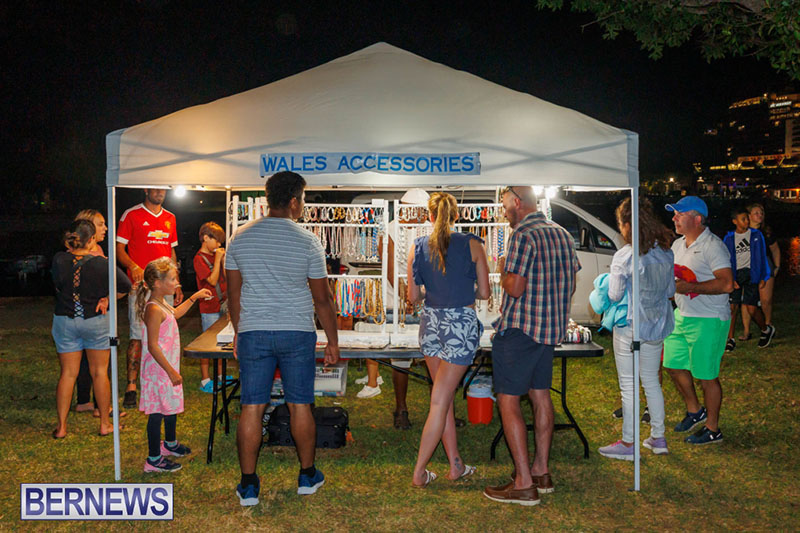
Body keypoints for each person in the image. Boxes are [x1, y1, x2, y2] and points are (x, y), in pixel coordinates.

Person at [226, 171, 339, 506]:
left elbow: (233, 294)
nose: (302, 205)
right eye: (302, 199)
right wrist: (333, 341)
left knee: (252, 406)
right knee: (300, 403)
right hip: (296, 331)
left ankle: (249, 485)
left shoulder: (240, 237)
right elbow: (322, 299)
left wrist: (239, 331)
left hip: (254, 331)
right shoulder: (308, 241)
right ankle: (307, 475)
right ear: (293, 201)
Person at [483, 186, 579, 506]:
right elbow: (571, 283)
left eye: (504, 205)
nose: (504, 211)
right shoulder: (562, 233)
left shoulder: (523, 235)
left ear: (517, 202)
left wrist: (502, 270)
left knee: (508, 400)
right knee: (541, 396)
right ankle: (541, 471)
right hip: (549, 330)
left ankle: (524, 484)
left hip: (520, 330)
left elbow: (515, 287)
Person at [407, 192, 490, 487]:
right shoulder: (473, 244)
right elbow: (485, 293)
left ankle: (456, 464)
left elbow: (413, 296)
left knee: (442, 398)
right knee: (441, 401)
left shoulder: (417, 246)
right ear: (457, 215)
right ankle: (419, 472)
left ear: (430, 216)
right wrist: (464, 289)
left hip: (431, 323)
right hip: (460, 326)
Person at [597, 198, 675, 460]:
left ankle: (628, 442)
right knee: (651, 381)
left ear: (627, 225)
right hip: (657, 324)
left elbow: (615, 294)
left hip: (631, 326)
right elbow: (671, 290)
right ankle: (658, 437)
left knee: (629, 385)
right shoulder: (666, 251)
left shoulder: (625, 255)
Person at [355, 187, 429, 431]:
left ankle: (440, 410)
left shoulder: (429, 228)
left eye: (424, 213)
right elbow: (389, 268)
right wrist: (407, 296)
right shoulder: (390, 229)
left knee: (434, 357)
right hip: (395, 303)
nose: (422, 217)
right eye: (419, 212)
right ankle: (401, 409)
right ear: (407, 209)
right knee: (401, 356)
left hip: (426, 301)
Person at [51, 220, 131, 438]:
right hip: (95, 320)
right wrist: (107, 297)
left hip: (65, 320)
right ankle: (105, 423)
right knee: (99, 372)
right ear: (92, 239)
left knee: (68, 373)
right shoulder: (101, 264)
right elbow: (126, 285)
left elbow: (57, 285)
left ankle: (62, 427)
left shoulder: (59, 260)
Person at [663, 196, 733, 445]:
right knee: (672, 364)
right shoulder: (677, 245)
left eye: (680, 214)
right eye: (674, 213)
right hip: (682, 315)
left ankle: (713, 429)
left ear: (697, 219)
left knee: (706, 375)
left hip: (709, 318)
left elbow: (727, 283)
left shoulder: (713, 246)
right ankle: (695, 411)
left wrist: (691, 287)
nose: (674, 218)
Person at [137, 257, 212, 472]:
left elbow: (175, 313)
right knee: (157, 412)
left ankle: (169, 443)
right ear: (157, 283)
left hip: (167, 367)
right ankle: (153, 459)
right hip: (159, 370)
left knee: (169, 406)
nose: (176, 282)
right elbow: (152, 345)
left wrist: (195, 297)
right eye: (172, 279)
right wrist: (170, 371)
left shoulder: (162, 303)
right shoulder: (153, 309)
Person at [116, 188, 183, 408]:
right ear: (146, 189)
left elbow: (171, 253)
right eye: (155, 187)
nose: (160, 192)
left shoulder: (170, 217)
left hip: (165, 287)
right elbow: (120, 249)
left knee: (165, 335)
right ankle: (131, 385)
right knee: (138, 335)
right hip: (141, 288)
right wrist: (133, 266)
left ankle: (164, 377)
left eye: (163, 188)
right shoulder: (131, 214)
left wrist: (177, 282)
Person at [71, 209, 124, 419]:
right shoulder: (90, 255)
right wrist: (108, 297)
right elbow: (119, 283)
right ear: (88, 227)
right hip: (95, 316)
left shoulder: (80, 252)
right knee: (100, 363)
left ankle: (84, 400)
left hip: (79, 315)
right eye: (100, 224)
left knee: (85, 359)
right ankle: (101, 407)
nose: (106, 228)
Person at [723, 206, 775, 351]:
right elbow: (725, 259)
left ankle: (766, 329)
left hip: (752, 274)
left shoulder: (756, 235)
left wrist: (764, 276)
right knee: (732, 308)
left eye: (747, 218)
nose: (747, 221)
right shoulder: (729, 238)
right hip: (736, 275)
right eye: (743, 219)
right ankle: (730, 339)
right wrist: (730, 278)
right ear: (735, 221)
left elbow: (762, 256)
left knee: (752, 308)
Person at [193, 221, 229, 393]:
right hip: (209, 308)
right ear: (206, 238)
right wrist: (218, 260)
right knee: (208, 345)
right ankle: (205, 379)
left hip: (222, 305)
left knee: (221, 343)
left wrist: (223, 261)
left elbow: (226, 278)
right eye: (217, 240)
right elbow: (212, 281)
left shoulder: (216, 256)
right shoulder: (199, 259)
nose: (219, 244)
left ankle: (220, 376)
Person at [740, 203, 780, 341]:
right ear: (749, 215)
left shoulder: (766, 232)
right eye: (756, 213)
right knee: (746, 300)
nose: (760, 215)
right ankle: (746, 331)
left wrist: (777, 266)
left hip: (765, 266)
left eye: (761, 213)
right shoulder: (742, 232)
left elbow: (775, 249)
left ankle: (767, 326)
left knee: (765, 300)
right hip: (746, 267)